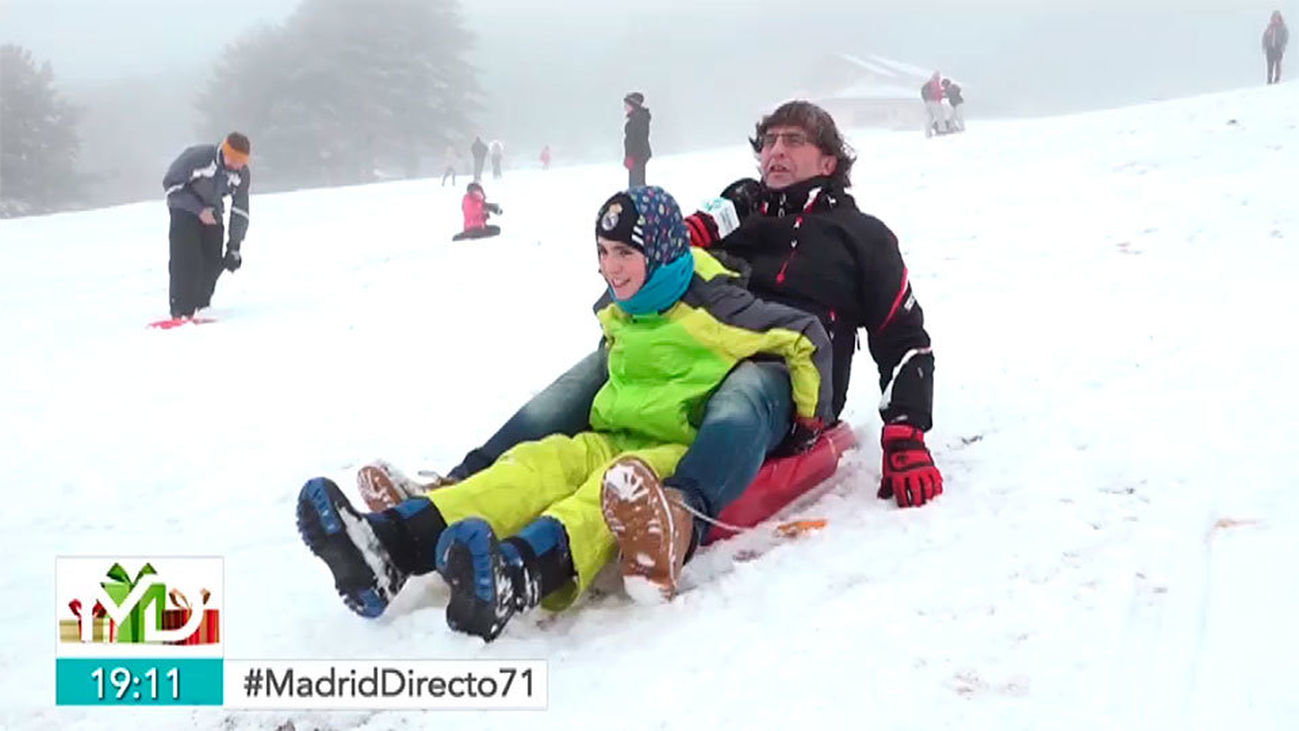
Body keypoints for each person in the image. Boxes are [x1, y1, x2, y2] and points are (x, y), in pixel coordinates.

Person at [365, 100, 942, 589]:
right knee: (585, 378)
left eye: (794, 141)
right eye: (768, 141)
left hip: (786, 365)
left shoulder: (862, 237)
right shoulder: (739, 207)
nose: (775, 151)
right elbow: (675, 246)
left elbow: (904, 336)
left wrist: (906, 432)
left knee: (743, 392)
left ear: (829, 161)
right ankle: (461, 486)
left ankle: (678, 511)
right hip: (690, 341)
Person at [297, 186, 834, 641]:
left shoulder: (718, 306)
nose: (610, 267)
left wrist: (809, 421)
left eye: (624, 252)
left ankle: (519, 573)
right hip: (609, 433)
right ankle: (389, 545)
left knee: (601, 498)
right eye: (603, 251)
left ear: (661, 250)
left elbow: (805, 337)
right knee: (534, 466)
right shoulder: (623, 306)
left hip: (672, 446)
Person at [161, 131, 250, 320]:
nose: (238, 166)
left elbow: (240, 210)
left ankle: (202, 306)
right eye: (234, 160)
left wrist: (234, 246)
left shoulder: (241, 173)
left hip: (213, 210)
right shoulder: (198, 158)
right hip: (184, 208)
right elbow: (171, 186)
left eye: (242, 162)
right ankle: (181, 310)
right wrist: (199, 210)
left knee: (213, 260)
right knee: (187, 259)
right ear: (224, 152)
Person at [623, 92, 652, 187]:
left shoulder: (638, 119)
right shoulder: (636, 118)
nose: (625, 107)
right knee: (636, 184)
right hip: (636, 157)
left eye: (627, 105)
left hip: (637, 157)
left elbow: (638, 140)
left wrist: (631, 156)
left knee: (637, 185)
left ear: (633, 105)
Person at [1264, 11, 1288, 84]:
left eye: (1276, 18)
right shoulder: (1269, 27)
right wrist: (1265, 46)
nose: (1274, 19)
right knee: (1270, 64)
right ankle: (1269, 79)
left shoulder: (1283, 28)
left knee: (1278, 63)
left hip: (1278, 48)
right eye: (1273, 18)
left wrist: (1283, 46)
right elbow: (1264, 37)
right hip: (1270, 48)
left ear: (1279, 18)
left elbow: (1285, 38)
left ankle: (1277, 79)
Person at [920, 71, 947, 137]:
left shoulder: (927, 83)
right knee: (940, 116)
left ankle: (928, 133)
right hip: (935, 101)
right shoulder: (935, 82)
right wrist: (942, 96)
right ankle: (942, 131)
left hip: (927, 102)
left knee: (929, 118)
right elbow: (937, 92)